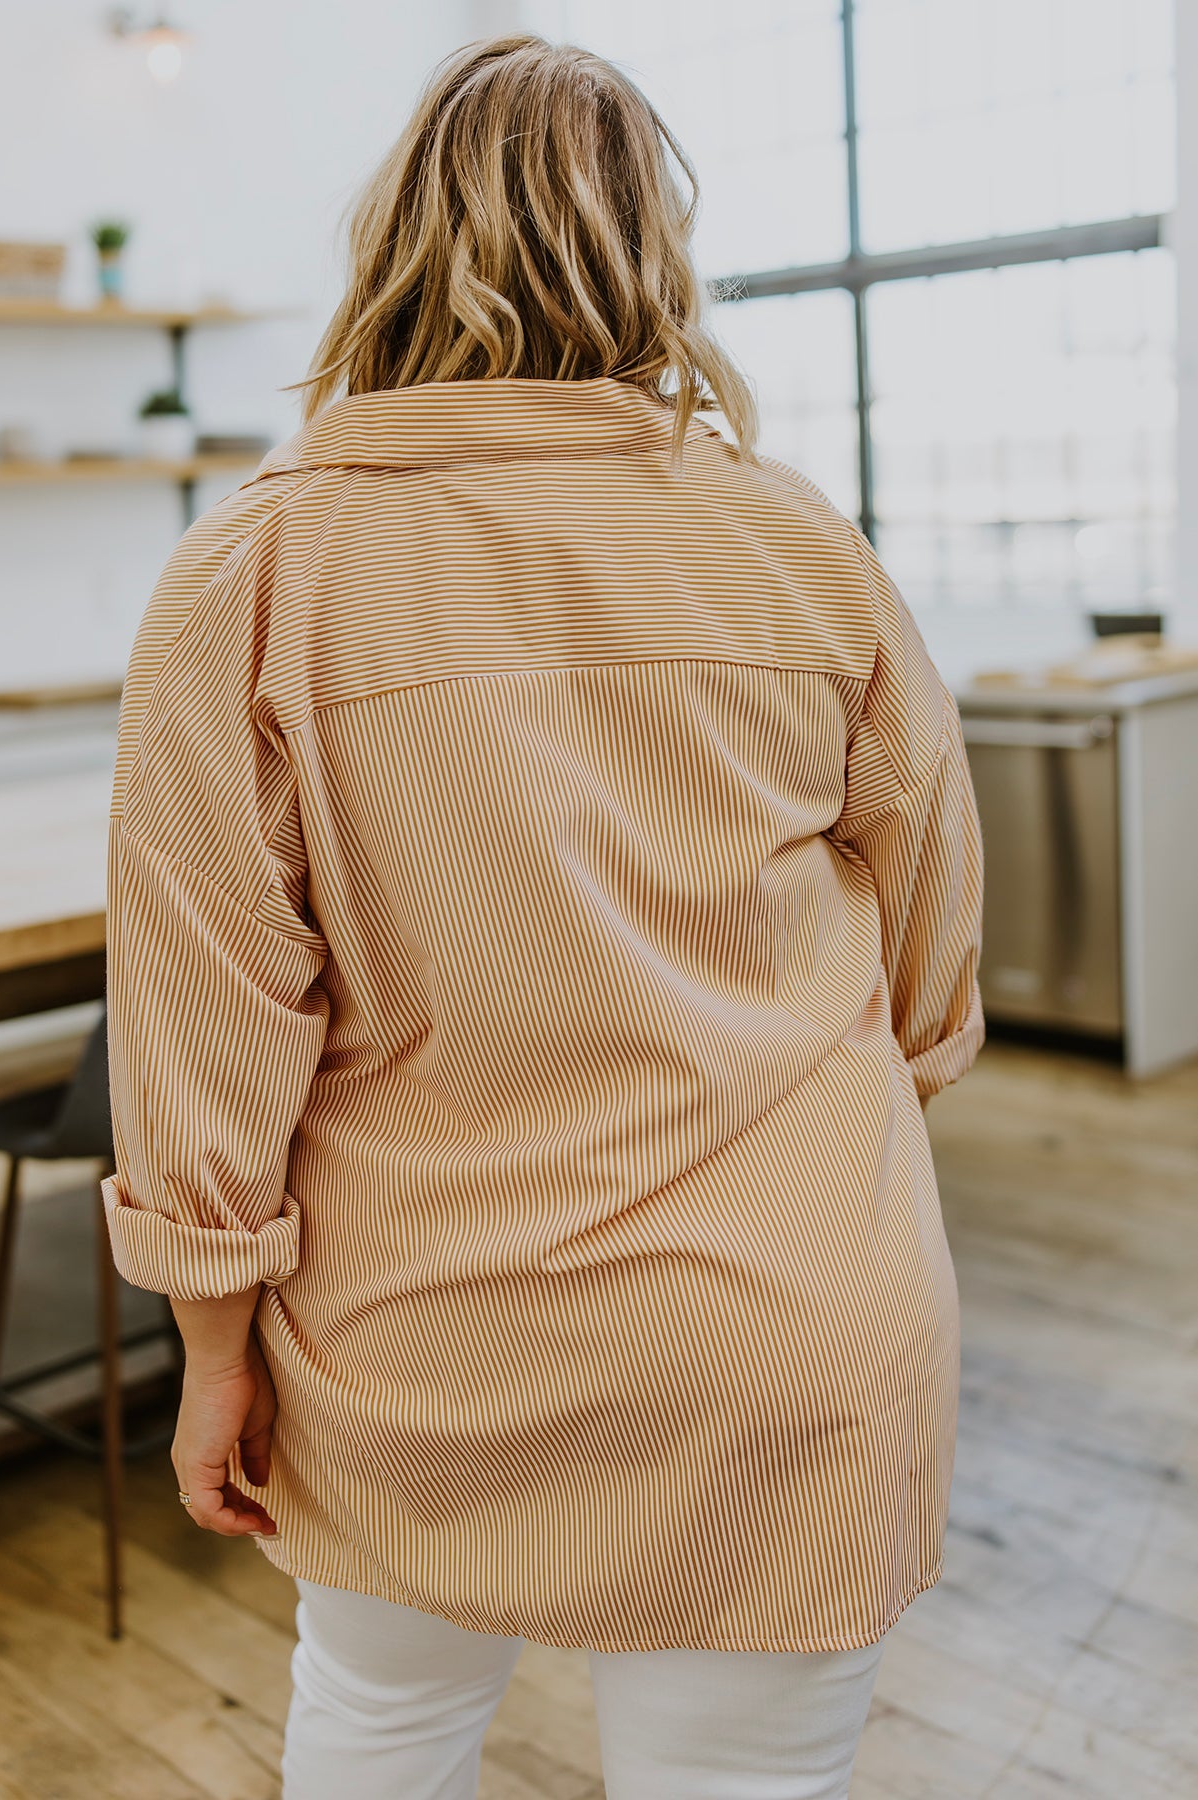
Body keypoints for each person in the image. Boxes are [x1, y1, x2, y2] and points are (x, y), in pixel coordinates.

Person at [99, 31, 984, 1800]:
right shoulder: (796, 550)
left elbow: (200, 1020)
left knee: (381, 1733)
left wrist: (211, 1351)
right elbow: (928, 957)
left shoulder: (252, 574)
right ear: (650, 254)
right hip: (786, 1317)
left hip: (413, 1345)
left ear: (395, 242)